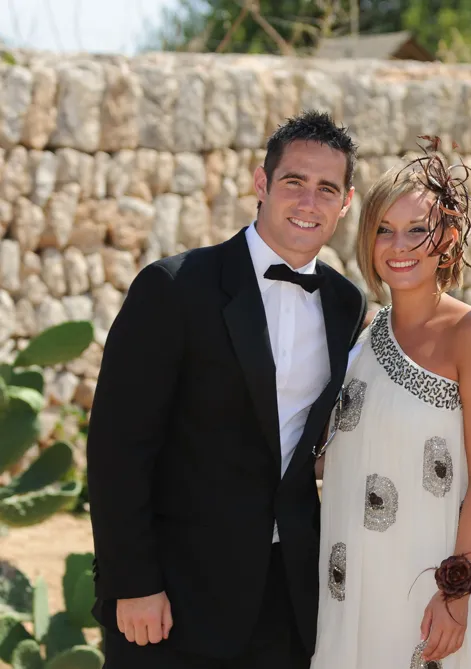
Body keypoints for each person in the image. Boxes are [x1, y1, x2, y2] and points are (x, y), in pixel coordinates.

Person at [86, 110, 367, 669]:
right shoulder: (174, 288)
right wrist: (132, 581)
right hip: (173, 594)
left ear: (346, 202)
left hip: (286, 598)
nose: (308, 202)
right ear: (261, 184)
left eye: (326, 189)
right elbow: (118, 448)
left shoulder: (345, 304)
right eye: (294, 182)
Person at [309, 141, 471, 669]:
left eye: (416, 230)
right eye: (383, 229)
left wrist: (455, 593)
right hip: (350, 580)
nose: (398, 245)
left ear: (446, 237)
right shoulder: (361, 337)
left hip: (429, 589)